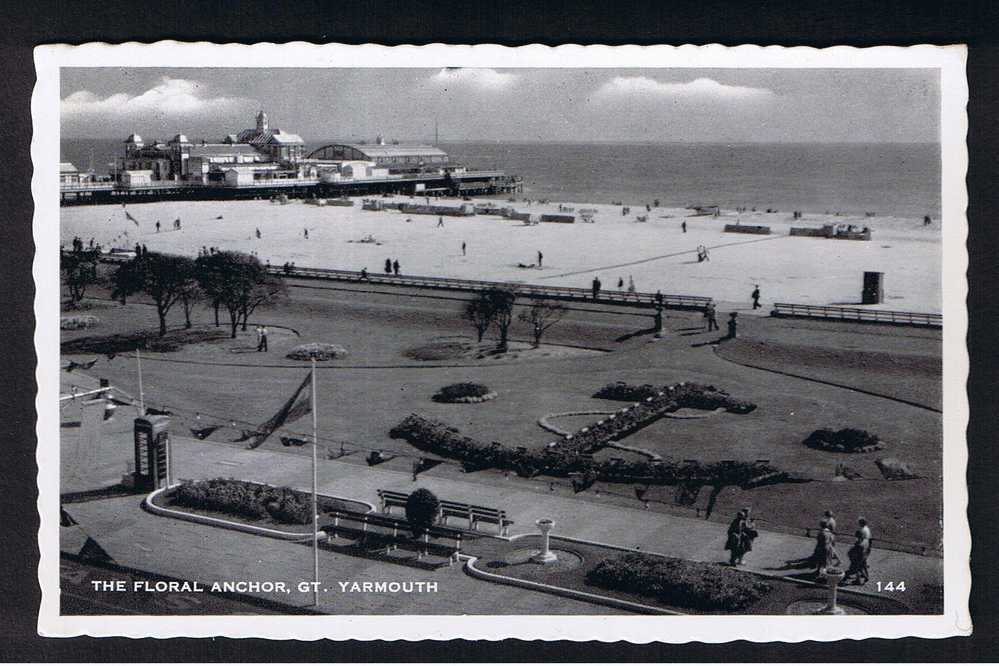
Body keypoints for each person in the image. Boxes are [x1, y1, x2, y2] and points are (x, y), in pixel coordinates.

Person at [845, 517, 872, 585]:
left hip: (860, 555)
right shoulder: (866, 533)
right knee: (863, 565)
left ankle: (859, 580)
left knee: (857, 567)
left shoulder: (860, 542)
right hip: (865, 552)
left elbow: (856, 550)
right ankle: (866, 576)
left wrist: (851, 554)